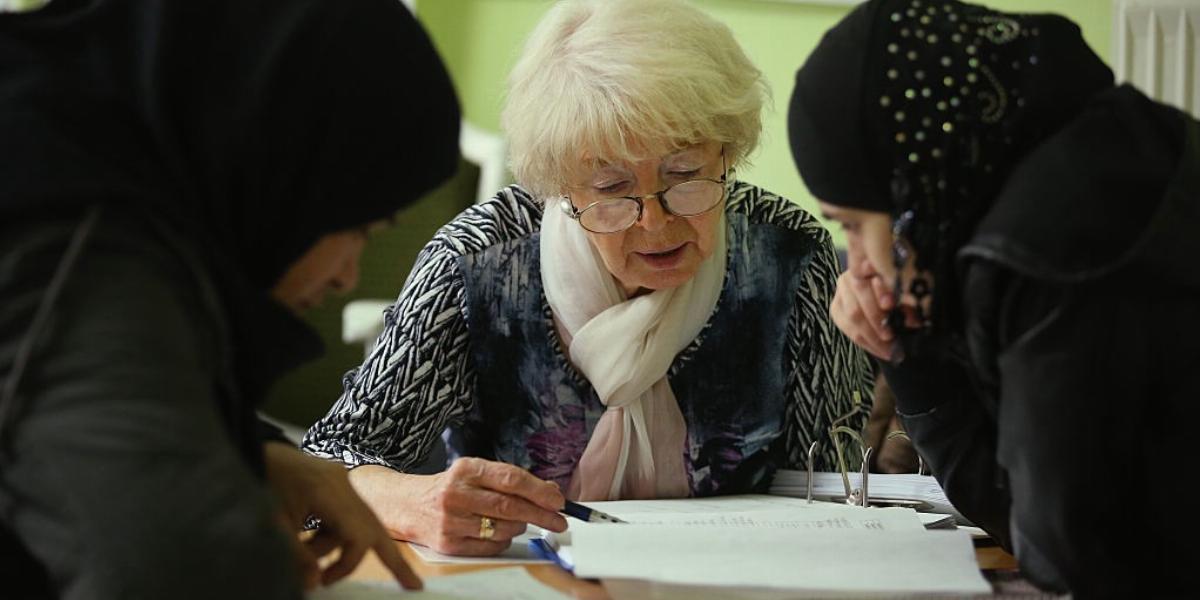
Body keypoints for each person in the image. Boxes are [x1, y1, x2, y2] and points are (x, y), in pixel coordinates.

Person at [303, 0, 875, 558]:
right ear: (558, 186)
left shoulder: (789, 255)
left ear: (728, 153)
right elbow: (329, 459)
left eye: (687, 174)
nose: (656, 221)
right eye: (611, 189)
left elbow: (839, 484)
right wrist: (413, 499)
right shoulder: (476, 263)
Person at [0, 0, 460, 598]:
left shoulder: (76, 154)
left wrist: (256, 451)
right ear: (284, 167)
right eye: (356, 230)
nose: (348, 275)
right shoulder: (76, 246)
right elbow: (187, 566)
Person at [788, 0, 1200, 595]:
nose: (859, 262)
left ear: (912, 192)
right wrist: (912, 347)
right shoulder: (1127, 141)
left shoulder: (1045, 256)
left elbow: (1060, 550)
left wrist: (918, 366)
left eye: (853, 224)